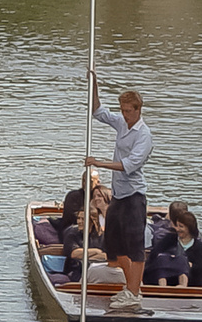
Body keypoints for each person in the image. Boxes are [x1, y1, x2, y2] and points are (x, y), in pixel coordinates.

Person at [83, 74, 152, 309]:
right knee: (113, 244)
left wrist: (98, 164)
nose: (124, 114)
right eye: (122, 110)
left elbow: (129, 165)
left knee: (135, 245)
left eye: (128, 111)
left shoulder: (144, 135)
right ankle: (131, 285)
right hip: (119, 195)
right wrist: (94, 86)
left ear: (137, 110)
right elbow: (99, 112)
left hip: (134, 195)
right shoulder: (122, 123)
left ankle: (134, 292)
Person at [59, 187, 111, 283]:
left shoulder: (102, 233)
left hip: (98, 271)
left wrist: (88, 255)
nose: (79, 222)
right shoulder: (72, 232)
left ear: (93, 220)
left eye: (83, 219)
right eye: (78, 218)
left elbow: (107, 256)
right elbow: (74, 253)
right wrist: (96, 251)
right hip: (75, 272)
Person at [143, 201, 191, 286]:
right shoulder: (191, 233)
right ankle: (183, 286)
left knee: (162, 261)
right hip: (180, 264)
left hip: (161, 264)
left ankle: (162, 287)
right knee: (182, 260)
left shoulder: (160, 228)